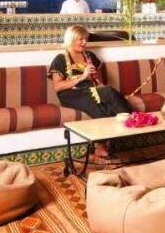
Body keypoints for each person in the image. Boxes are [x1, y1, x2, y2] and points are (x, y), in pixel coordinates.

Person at [48, 25, 132, 156]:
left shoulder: (89, 55)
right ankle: (129, 124)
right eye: (80, 39)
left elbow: (97, 79)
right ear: (71, 39)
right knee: (105, 96)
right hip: (71, 94)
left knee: (108, 98)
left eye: (86, 39)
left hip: (91, 90)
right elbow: (57, 86)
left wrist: (97, 81)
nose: (84, 42)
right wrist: (82, 77)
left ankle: (127, 127)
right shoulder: (60, 59)